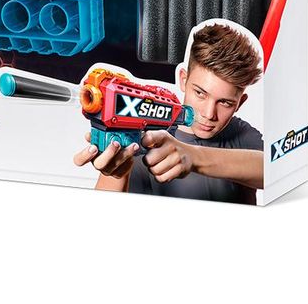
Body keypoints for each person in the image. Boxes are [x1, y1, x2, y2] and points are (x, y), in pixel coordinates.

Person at [73, 23, 264, 204]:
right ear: (183, 79)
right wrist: (117, 171)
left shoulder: (242, 136)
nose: (208, 114)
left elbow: (271, 169)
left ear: (240, 103)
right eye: (200, 93)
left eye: (225, 102)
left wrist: (193, 156)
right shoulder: (145, 135)